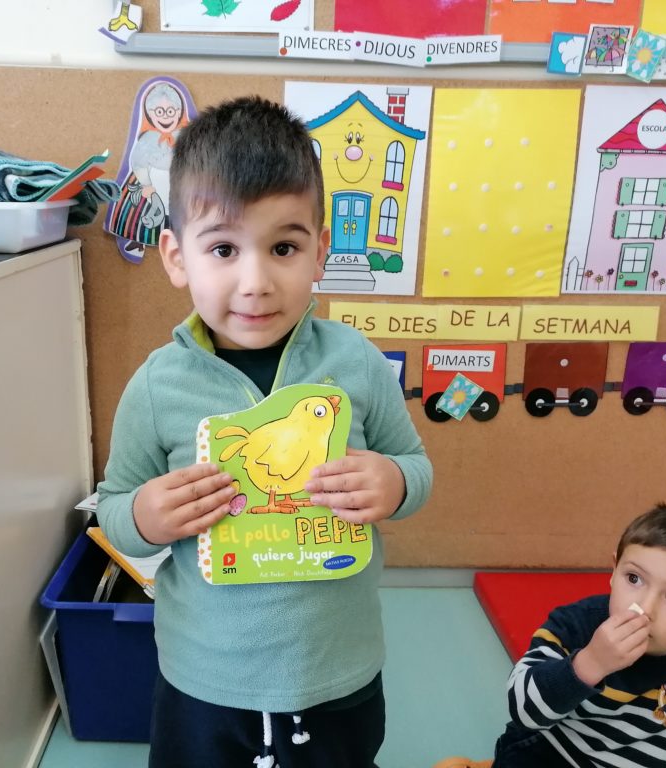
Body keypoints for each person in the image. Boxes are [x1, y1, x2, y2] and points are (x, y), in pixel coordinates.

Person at [97, 96, 433, 768]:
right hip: (204, 681)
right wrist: (145, 516)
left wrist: (393, 483)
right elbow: (113, 509)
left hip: (337, 673)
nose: (255, 283)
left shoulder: (357, 363)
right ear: (177, 257)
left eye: (284, 247)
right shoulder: (158, 386)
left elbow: (415, 465)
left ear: (320, 252)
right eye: (223, 248)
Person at [436, 505, 666, 768]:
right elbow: (523, 711)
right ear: (614, 571)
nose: (644, 608)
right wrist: (590, 664)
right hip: (548, 756)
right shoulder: (576, 625)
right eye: (634, 578)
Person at [107, 78, 192, 262]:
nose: (166, 117)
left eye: (171, 111)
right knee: (141, 213)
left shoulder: (186, 138)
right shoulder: (147, 140)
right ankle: (138, 241)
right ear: (149, 113)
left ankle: (182, 245)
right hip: (151, 181)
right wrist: (146, 184)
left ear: (179, 112)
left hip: (179, 185)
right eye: (159, 111)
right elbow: (138, 163)